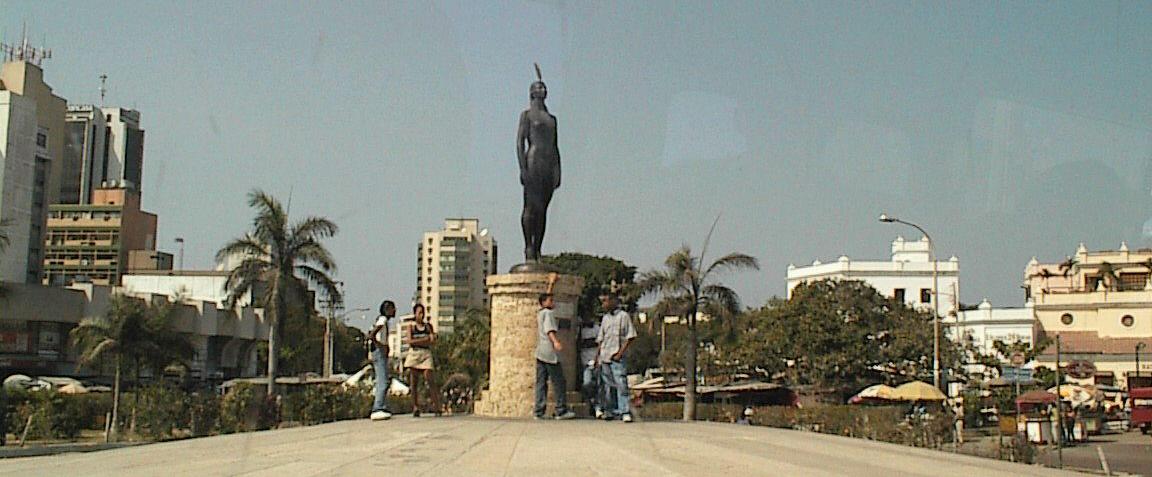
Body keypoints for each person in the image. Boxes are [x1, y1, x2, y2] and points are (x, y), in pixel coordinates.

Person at [516, 64, 561, 262]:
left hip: (548, 163)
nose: (542, 90)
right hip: (533, 160)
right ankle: (528, 247)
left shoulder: (552, 119)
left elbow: (555, 145)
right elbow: (519, 142)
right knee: (530, 208)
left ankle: (538, 248)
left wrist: (558, 170)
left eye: (543, 87)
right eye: (538, 87)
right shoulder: (527, 115)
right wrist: (522, 168)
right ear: (531, 92)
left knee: (543, 209)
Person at [534, 278, 576, 420]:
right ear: (545, 303)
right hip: (549, 352)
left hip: (540, 351)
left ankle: (539, 410)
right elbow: (550, 330)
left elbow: (545, 297)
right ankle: (561, 409)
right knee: (559, 381)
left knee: (541, 382)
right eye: (550, 301)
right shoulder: (549, 314)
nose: (553, 303)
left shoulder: (540, 312)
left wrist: (551, 284)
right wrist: (556, 342)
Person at [596, 294, 637, 422]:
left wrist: (620, 353)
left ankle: (624, 410)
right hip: (605, 356)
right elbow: (601, 339)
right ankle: (609, 410)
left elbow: (630, 336)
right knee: (607, 385)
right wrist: (597, 357)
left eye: (606, 301)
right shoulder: (605, 318)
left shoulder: (623, 316)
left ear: (613, 301)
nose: (604, 304)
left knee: (621, 384)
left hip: (617, 356)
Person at [405, 303, 439, 417]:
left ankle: (436, 405)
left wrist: (426, 340)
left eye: (423, 312)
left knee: (429, 378)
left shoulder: (428, 326)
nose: (422, 315)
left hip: (425, 353)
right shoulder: (411, 327)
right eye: (419, 313)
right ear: (415, 314)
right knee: (414, 382)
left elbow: (432, 340)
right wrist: (425, 339)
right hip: (415, 353)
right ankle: (415, 406)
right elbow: (410, 341)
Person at [368, 300, 396, 421]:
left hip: (378, 352)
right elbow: (372, 334)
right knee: (383, 381)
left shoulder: (382, 320)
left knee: (383, 380)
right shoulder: (383, 320)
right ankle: (377, 407)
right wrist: (381, 346)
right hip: (379, 352)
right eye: (392, 308)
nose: (394, 311)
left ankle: (381, 406)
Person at [579, 315, 604, 417]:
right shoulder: (580, 330)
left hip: (596, 360)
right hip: (585, 361)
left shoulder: (597, 329)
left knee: (598, 385)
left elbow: (600, 344)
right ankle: (591, 403)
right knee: (587, 383)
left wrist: (597, 358)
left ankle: (598, 407)